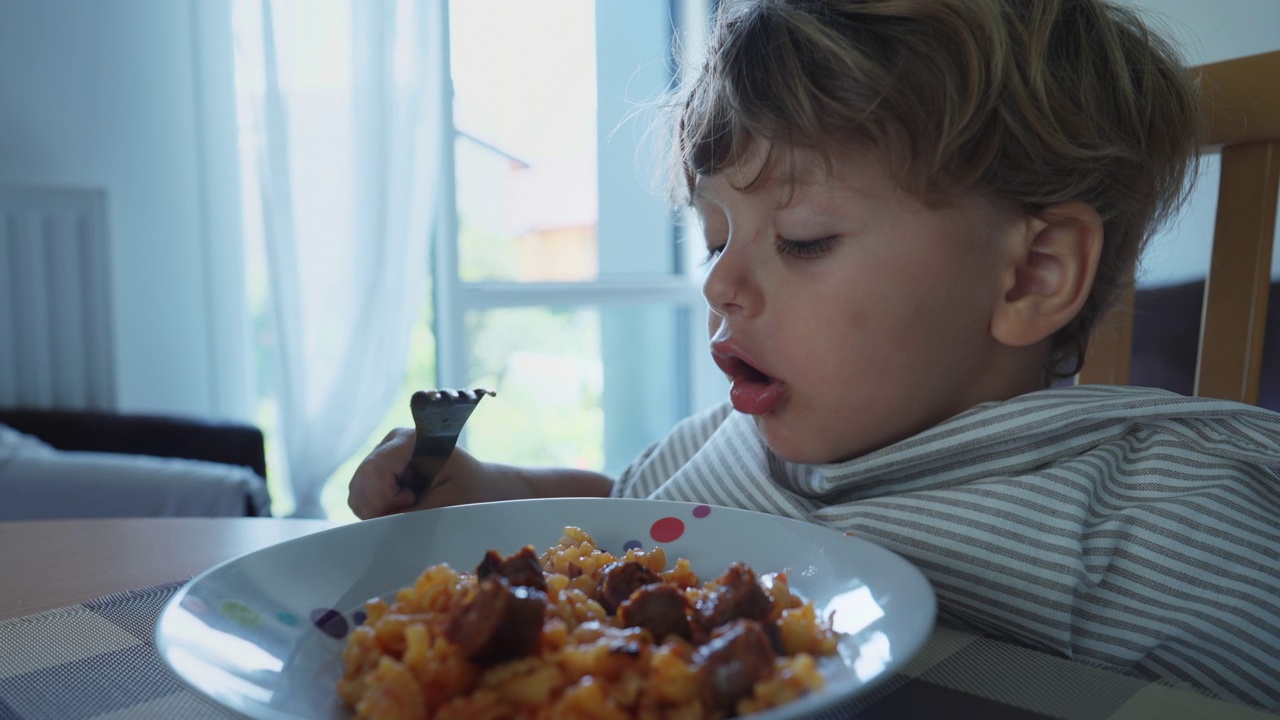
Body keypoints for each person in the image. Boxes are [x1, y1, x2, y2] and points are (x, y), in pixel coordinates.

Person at [348, 0, 1280, 709]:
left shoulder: (1155, 519)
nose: (720, 285)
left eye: (801, 240)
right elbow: (626, 525)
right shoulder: (731, 440)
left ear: (1031, 275)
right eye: (717, 236)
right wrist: (484, 486)